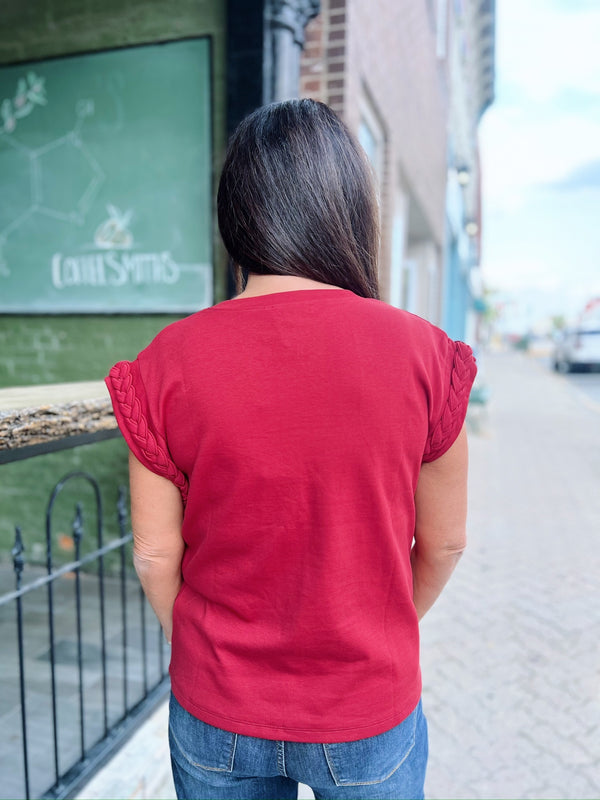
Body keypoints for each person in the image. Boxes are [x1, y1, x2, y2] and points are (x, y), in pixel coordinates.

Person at [105, 98, 476, 800]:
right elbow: (446, 544)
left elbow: (156, 555)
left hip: (218, 706)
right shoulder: (428, 356)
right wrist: (376, 630)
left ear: (236, 213)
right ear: (347, 209)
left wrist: (206, 653)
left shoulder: (166, 361)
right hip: (366, 706)